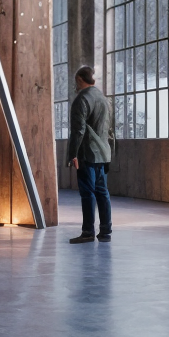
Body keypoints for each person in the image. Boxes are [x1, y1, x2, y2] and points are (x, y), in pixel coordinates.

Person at [67, 65, 113, 243]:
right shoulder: (103, 99)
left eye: (75, 81)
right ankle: (105, 232)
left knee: (87, 193)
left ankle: (87, 232)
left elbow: (78, 131)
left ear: (79, 79)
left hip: (87, 153)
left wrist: (73, 155)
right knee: (103, 192)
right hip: (103, 153)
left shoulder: (82, 100)